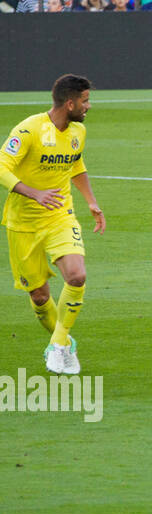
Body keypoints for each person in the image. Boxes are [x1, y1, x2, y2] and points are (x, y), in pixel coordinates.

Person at [0, 74, 106, 375]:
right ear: (69, 102)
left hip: (60, 215)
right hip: (23, 223)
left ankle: (58, 346)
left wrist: (91, 201)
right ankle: (65, 342)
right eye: (85, 101)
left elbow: (76, 164)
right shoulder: (30, 129)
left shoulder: (78, 132)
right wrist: (34, 193)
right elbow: (1, 165)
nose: (88, 106)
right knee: (40, 296)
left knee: (76, 275)